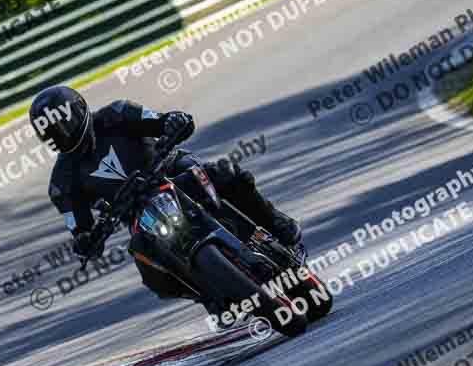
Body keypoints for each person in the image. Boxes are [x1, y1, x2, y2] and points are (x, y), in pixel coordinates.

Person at [30, 85, 301, 302]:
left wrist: (175, 121)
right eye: (54, 132)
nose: (63, 134)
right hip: (137, 212)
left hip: (170, 170)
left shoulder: (118, 114)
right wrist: (85, 242)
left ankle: (276, 222)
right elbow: (80, 228)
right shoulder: (62, 183)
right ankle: (208, 294)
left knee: (224, 172)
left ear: (80, 111)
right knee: (144, 259)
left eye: (64, 124)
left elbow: (160, 121)